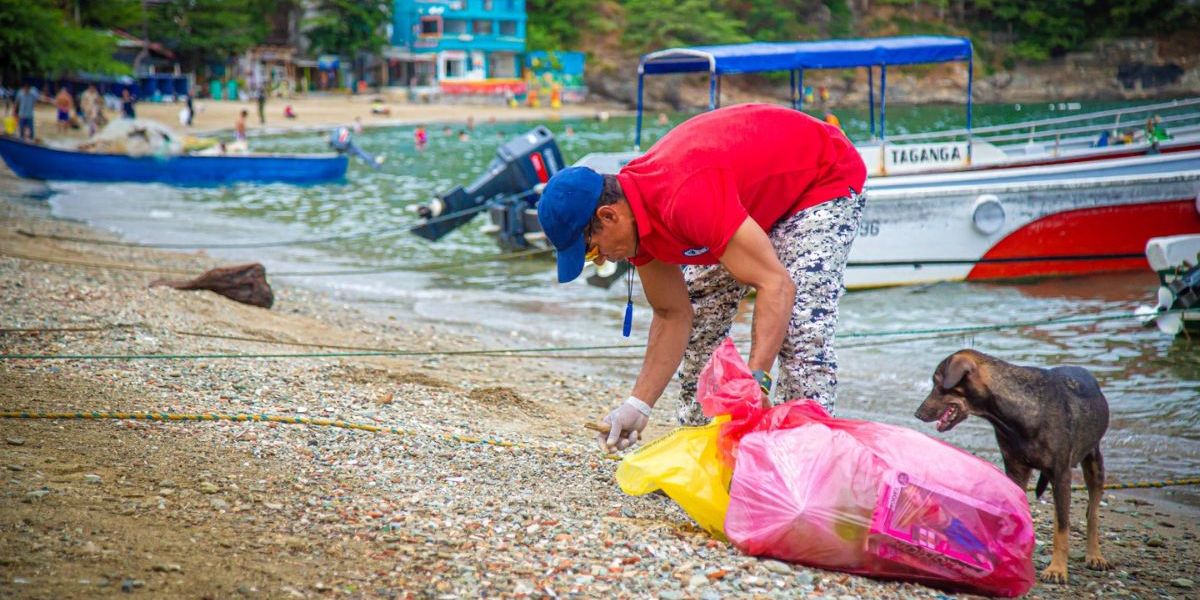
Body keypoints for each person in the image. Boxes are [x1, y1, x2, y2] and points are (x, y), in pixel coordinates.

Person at [535, 104, 867, 452]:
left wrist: (756, 380)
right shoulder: (636, 224)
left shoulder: (683, 197)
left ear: (608, 215)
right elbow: (672, 313)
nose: (600, 259)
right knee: (701, 310)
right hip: (744, 200)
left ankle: (807, 457)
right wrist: (638, 405)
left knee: (801, 329)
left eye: (590, 251)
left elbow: (775, 284)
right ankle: (701, 447)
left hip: (820, 178)